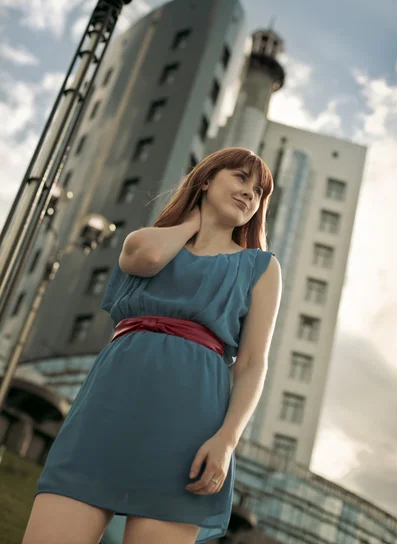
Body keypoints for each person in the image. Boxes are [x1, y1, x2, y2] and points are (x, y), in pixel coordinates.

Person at [22, 147, 282, 544]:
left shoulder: (261, 268)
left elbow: (252, 364)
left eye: (261, 191)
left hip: (190, 425)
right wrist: (195, 221)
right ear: (206, 179)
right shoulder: (148, 240)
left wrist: (227, 440)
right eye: (241, 178)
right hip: (107, 408)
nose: (251, 194)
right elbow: (150, 258)